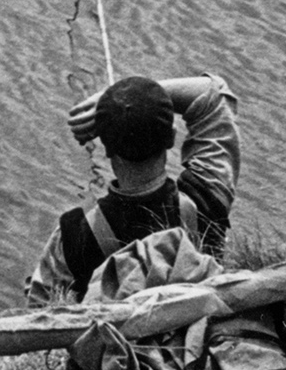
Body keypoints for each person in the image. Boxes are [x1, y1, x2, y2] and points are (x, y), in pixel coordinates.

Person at [24, 72, 240, 304]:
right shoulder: (207, 196)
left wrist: (114, 103)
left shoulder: (72, 237)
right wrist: (140, 97)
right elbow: (214, 95)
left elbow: (39, 312)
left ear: (106, 149)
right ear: (171, 138)